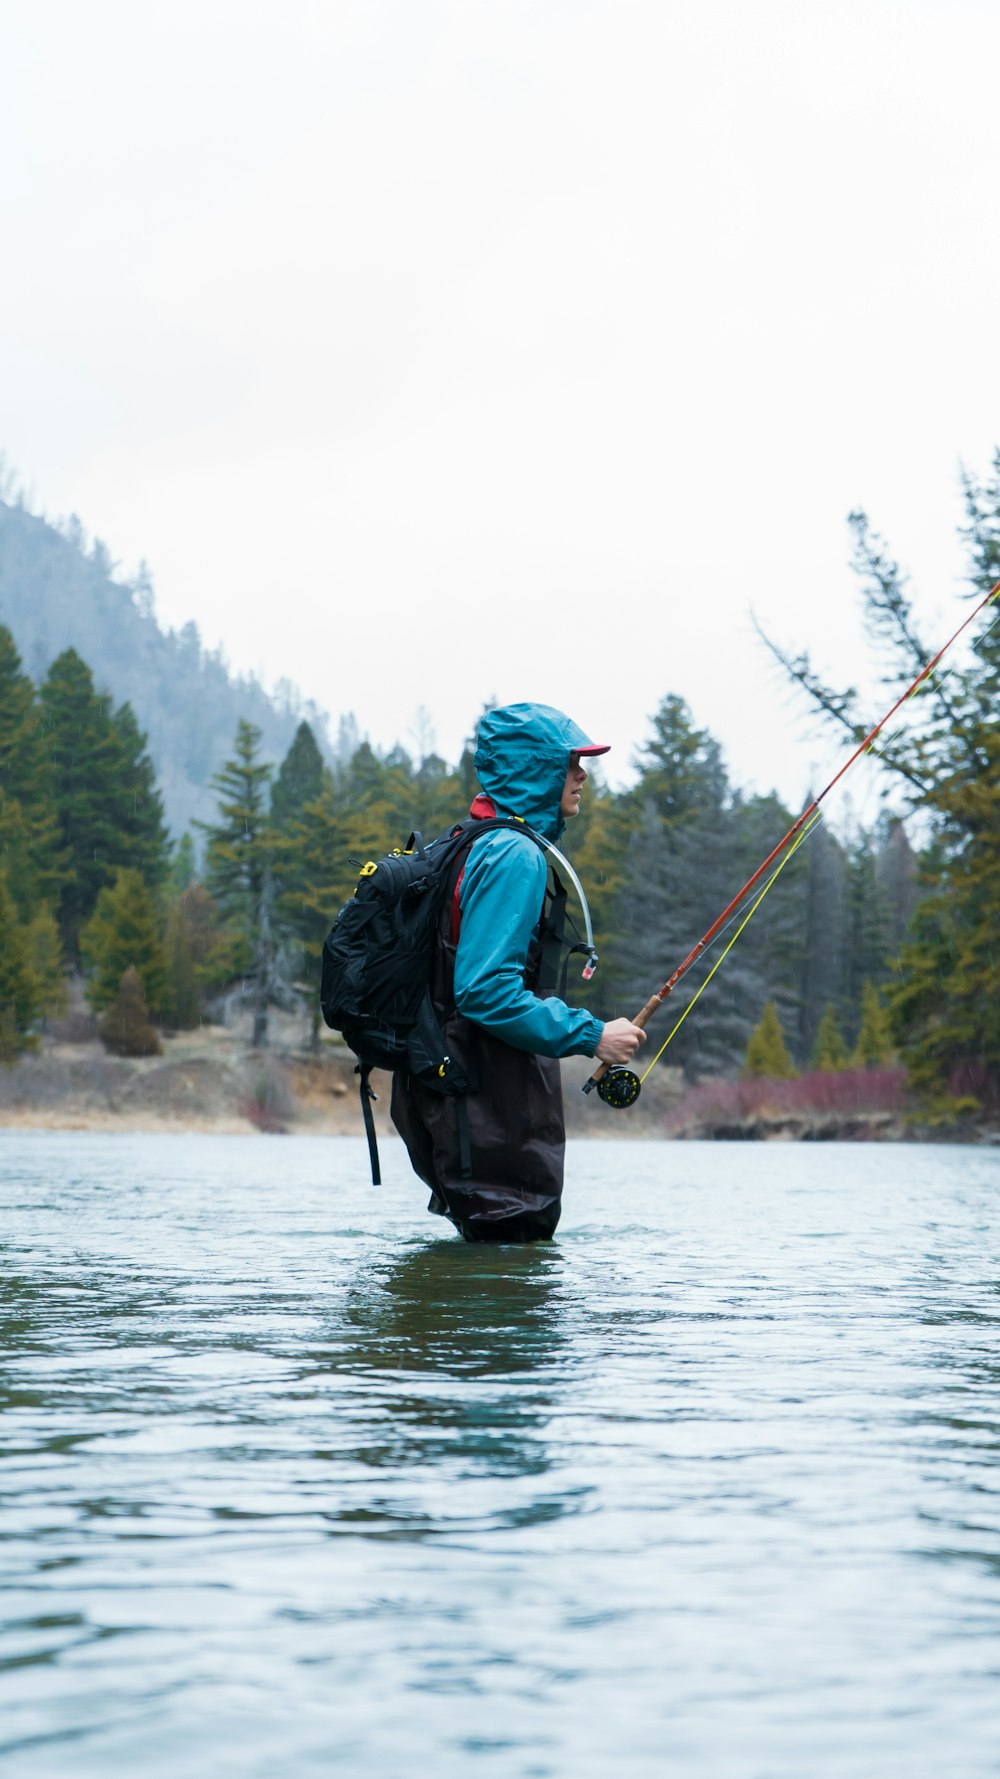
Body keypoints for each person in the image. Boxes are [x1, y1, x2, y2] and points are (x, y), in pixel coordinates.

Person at [390, 701, 645, 1243]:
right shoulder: (513, 855)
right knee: (510, 1251)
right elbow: (484, 992)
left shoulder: (470, 840)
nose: (581, 775)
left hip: (449, 1092)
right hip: (485, 1104)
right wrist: (593, 1035)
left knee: (477, 1287)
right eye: (570, 762)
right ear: (536, 768)